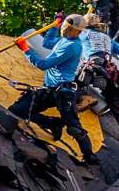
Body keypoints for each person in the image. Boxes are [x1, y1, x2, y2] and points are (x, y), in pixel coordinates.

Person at [11, 14, 95, 162]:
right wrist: (54, 27)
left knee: (74, 128)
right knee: (17, 110)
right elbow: (47, 43)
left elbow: (44, 65)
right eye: (64, 26)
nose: (65, 30)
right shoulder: (64, 40)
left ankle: (90, 156)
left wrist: (25, 49)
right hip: (48, 90)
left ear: (78, 32)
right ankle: (51, 123)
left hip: (63, 93)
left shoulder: (72, 46)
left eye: (70, 29)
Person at [76, 12, 119, 137]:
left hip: (92, 68)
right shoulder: (107, 39)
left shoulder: (82, 35)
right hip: (109, 71)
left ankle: (83, 98)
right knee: (115, 105)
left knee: (72, 83)